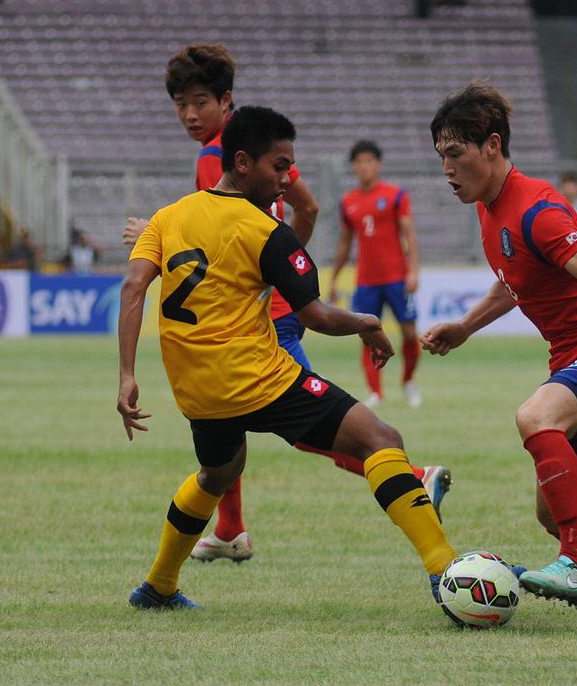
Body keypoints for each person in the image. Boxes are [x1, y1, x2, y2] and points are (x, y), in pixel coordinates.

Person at [118, 106, 457, 610]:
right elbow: (316, 315)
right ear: (242, 162)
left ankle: (158, 586)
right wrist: (367, 323)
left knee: (218, 473)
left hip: (197, 393)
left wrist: (126, 374)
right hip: (259, 380)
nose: (286, 179)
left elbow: (133, 286)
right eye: (279, 167)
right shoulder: (265, 231)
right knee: (381, 439)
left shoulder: (168, 217)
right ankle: (447, 571)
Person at [421, 84, 577, 615]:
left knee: (534, 416)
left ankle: (576, 567)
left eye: (455, 153)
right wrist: (466, 326)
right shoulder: (489, 211)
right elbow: (517, 281)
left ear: (491, 145)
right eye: (440, 155)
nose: (446, 169)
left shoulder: (538, 209)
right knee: (553, 512)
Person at [330, 140, 424, 409]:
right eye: (359, 162)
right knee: (367, 336)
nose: (364, 166)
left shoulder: (395, 195)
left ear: (378, 164)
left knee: (409, 334)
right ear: (353, 167)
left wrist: (413, 271)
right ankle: (376, 392)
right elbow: (345, 243)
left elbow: (409, 234)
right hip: (366, 282)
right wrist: (335, 278)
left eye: (369, 161)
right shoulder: (348, 202)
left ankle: (408, 380)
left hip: (397, 279)